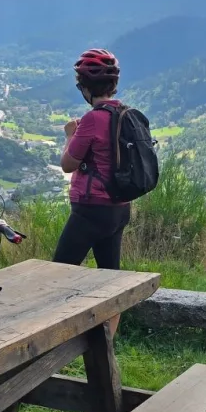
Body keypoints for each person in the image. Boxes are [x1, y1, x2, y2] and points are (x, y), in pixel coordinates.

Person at [52, 48, 131, 270]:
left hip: (91, 208)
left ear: (85, 88)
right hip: (120, 207)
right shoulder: (126, 114)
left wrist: (70, 135)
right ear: (113, 85)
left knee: (58, 272)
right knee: (109, 275)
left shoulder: (92, 119)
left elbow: (68, 165)